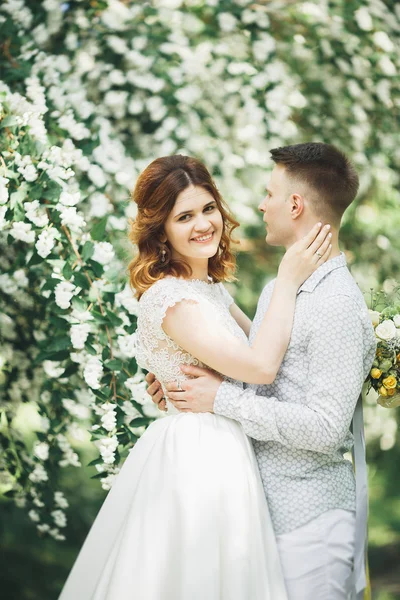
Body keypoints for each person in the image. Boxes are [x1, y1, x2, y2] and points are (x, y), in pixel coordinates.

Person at [58, 154, 332, 600]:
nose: (203, 224)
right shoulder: (172, 299)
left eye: (207, 209)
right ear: (160, 229)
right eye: (183, 216)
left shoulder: (207, 289)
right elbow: (261, 367)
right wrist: (287, 278)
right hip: (197, 456)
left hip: (226, 446)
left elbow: (268, 347)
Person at [147, 144, 377, 600]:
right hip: (255, 514)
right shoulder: (279, 291)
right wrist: (178, 382)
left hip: (309, 523)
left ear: (295, 205)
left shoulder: (336, 303)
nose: (259, 204)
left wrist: (219, 399)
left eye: (269, 193)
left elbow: (328, 428)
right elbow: (256, 378)